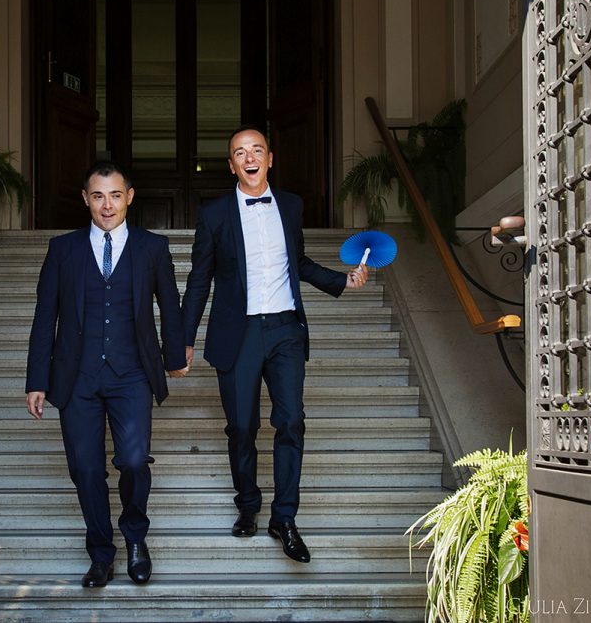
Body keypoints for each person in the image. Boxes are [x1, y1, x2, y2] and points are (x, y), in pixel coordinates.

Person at [181, 126, 367, 563]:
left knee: (290, 422)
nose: (249, 157)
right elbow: (199, 279)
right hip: (238, 333)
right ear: (231, 165)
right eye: (239, 153)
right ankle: (248, 504)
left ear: (269, 158)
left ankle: (284, 517)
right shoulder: (214, 214)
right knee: (242, 427)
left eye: (256, 150)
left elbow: (296, 261)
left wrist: (342, 281)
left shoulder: (290, 205)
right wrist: (182, 339)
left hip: (285, 329)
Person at [26, 160, 189, 588]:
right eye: (98, 195)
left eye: (115, 195)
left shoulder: (153, 247)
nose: (107, 204)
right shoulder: (63, 249)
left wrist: (175, 355)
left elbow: (169, 306)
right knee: (85, 469)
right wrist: (37, 380)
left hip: (131, 372)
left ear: (129, 197)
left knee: (133, 461)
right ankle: (101, 552)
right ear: (86, 199)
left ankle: (136, 538)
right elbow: (46, 318)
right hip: (76, 377)